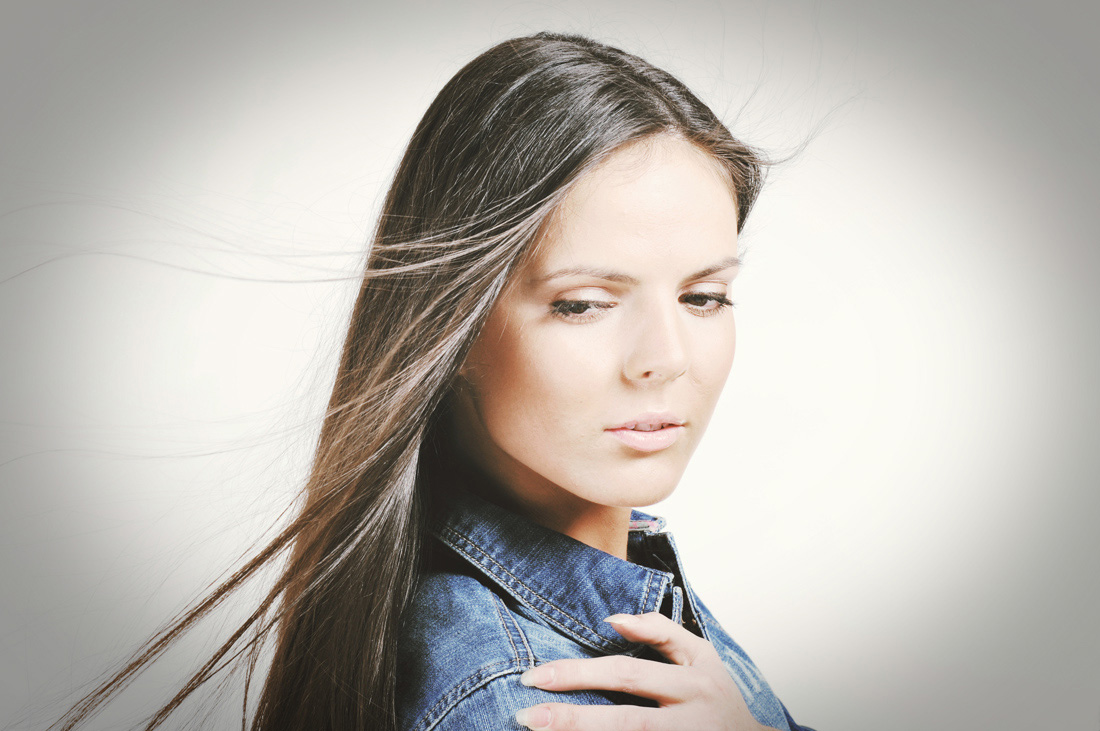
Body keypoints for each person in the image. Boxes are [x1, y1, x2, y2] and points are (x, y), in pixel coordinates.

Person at [52, 32, 813, 731]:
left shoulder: (622, 574)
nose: (666, 357)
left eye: (703, 297)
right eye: (582, 304)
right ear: (452, 326)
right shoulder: (515, 698)